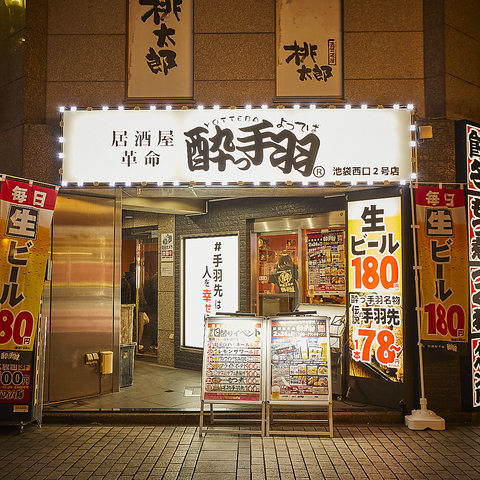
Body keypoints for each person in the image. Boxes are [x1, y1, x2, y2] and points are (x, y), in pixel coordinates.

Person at [144, 271, 158, 350]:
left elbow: (150, 294)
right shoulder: (158, 278)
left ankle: (154, 342)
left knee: (156, 322)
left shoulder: (153, 278)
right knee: (157, 323)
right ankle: (155, 342)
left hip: (155, 303)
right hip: (159, 303)